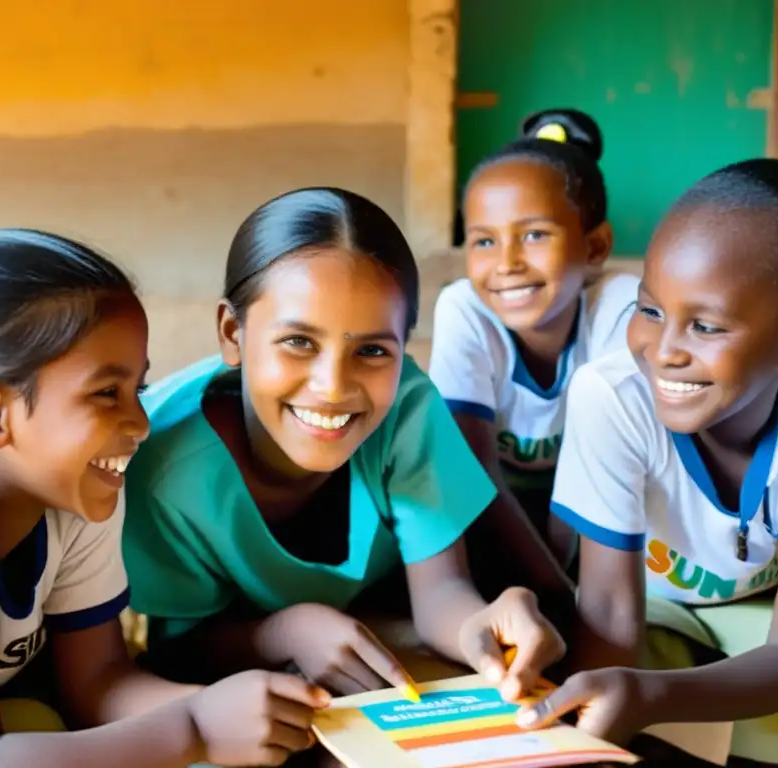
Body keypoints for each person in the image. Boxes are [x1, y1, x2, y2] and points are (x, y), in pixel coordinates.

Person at [0, 229, 330, 768]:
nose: (141, 424)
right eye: (108, 393)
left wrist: (242, 714)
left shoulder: (76, 484)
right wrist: (195, 727)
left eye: (138, 390)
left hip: (31, 713)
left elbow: (99, 686)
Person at [123, 188, 565, 718]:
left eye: (372, 351)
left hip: (379, 644)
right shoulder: (162, 468)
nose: (333, 386)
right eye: (298, 342)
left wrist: (482, 625)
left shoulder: (406, 409)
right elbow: (176, 650)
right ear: (232, 332)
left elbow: (442, 591)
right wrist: (285, 631)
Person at [520, 136, 778, 766]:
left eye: (707, 326)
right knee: (593, 684)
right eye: (650, 309)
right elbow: (608, 612)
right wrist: (610, 719)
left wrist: (655, 699)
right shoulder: (612, 397)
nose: (664, 350)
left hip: (764, 621)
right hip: (645, 615)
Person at [429, 108, 638, 597]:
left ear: (595, 246)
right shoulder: (465, 308)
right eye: (484, 240)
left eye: (535, 235)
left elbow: (602, 470)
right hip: (492, 513)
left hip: (601, 519)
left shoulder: (619, 307)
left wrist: (573, 589)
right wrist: (552, 589)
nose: (506, 264)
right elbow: (471, 471)